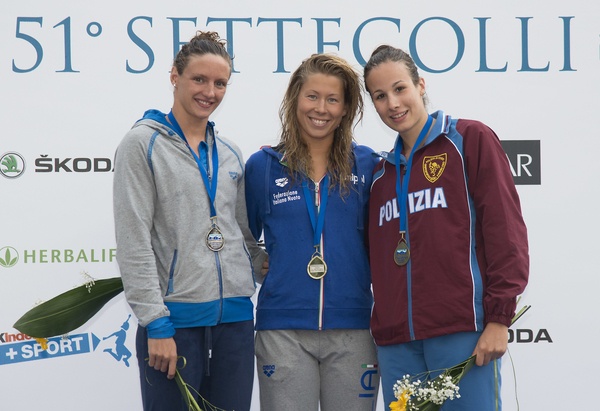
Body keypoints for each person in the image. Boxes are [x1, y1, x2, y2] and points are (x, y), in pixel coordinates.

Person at [363, 45, 529, 410]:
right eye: (380, 96)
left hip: (462, 331)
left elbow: (506, 234)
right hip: (397, 344)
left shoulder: (469, 139)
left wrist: (499, 319)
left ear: (420, 85)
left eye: (400, 88)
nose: (393, 103)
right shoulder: (380, 175)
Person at [113, 31, 267, 411]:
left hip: (235, 324)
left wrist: (276, 268)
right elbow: (134, 241)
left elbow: (243, 237)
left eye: (220, 83)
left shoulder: (230, 153)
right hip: (174, 325)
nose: (209, 92)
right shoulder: (142, 144)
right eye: (199, 79)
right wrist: (156, 323)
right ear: (175, 76)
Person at [245, 54, 380, 410]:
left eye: (333, 99)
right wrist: (258, 261)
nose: (321, 108)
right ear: (295, 99)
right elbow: (238, 235)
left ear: (346, 108)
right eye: (312, 96)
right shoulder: (262, 167)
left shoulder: (369, 166)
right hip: (282, 330)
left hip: (353, 329)